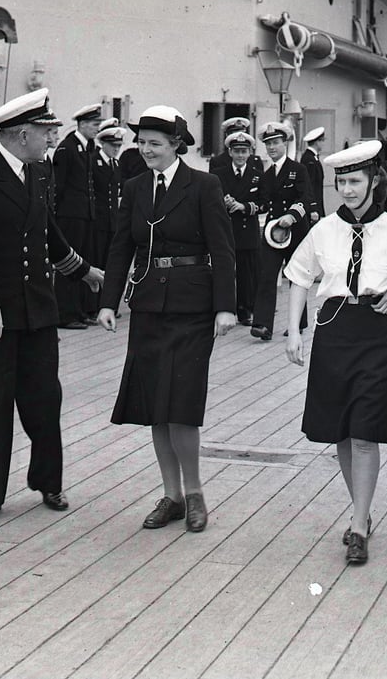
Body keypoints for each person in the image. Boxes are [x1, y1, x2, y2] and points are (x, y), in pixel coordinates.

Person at [0, 88, 104, 523]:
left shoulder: (39, 173)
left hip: (36, 308)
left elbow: (46, 232)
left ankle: (48, 482)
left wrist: (83, 270)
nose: (51, 137)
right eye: (45, 131)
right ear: (20, 135)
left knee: (44, 398)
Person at [97, 105, 237, 533]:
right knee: (156, 406)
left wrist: (226, 306)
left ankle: (194, 493)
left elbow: (222, 248)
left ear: (176, 145)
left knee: (182, 406)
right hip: (148, 308)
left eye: (154, 144)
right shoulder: (135, 186)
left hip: (193, 308)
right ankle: (171, 496)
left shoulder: (204, 185)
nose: (145, 151)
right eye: (141, 144)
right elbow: (122, 246)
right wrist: (108, 301)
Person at [284, 141, 387, 565]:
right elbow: (299, 276)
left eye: (355, 181)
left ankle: (359, 523)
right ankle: (361, 510)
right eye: (341, 182)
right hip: (333, 327)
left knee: (365, 431)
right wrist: (293, 331)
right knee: (341, 430)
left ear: (374, 181)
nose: (347, 190)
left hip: (378, 330)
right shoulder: (324, 229)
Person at [251, 121, 312, 340]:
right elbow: (263, 203)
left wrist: (292, 216)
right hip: (272, 233)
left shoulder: (299, 170)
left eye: (276, 143)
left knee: (296, 277)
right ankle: (262, 324)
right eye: (268, 145)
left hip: (295, 231)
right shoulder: (266, 175)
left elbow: (306, 198)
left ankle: (299, 323)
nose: (272, 148)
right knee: (266, 275)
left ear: (284, 143)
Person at [53, 103, 103, 328]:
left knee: (84, 263)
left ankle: (80, 310)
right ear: (81, 124)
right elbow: (59, 186)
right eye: (94, 124)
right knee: (69, 263)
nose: (97, 129)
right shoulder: (67, 148)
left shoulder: (90, 148)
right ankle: (66, 313)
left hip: (86, 215)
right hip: (70, 215)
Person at [212, 130, 264, 326]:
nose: (241, 155)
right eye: (237, 151)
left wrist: (244, 206)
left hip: (247, 230)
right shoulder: (219, 174)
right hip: (225, 229)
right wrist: (224, 201)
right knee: (223, 271)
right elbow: (211, 197)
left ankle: (245, 310)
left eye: (244, 151)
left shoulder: (257, 176)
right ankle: (223, 308)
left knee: (246, 274)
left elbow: (264, 202)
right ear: (230, 153)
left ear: (250, 153)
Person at [91, 120, 124, 302]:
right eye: (113, 145)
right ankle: (92, 304)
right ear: (102, 143)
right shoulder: (94, 162)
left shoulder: (116, 164)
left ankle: (105, 301)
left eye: (119, 146)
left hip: (111, 221)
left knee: (109, 263)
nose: (116, 149)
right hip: (98, 221)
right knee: (96, 263)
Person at [300, 126, 327, 221]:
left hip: (316, 207)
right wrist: (312, 208)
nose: (324, 143)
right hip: (312, 211)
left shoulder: (313, 158)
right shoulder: (309, 160)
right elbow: (308, 185)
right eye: (323, 140)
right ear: (317, 142)